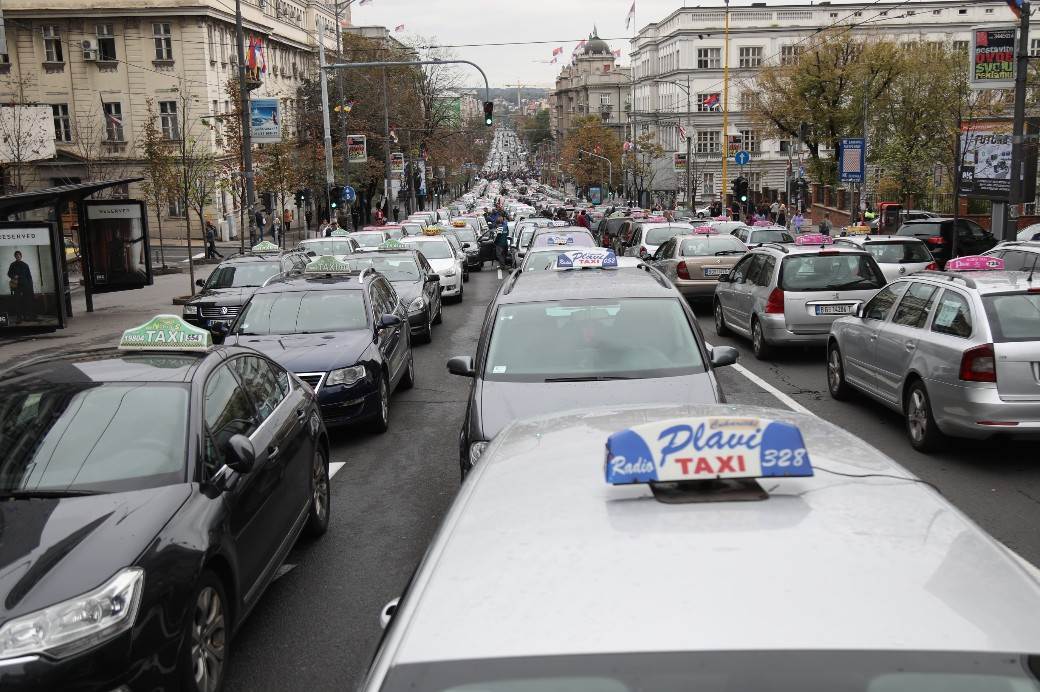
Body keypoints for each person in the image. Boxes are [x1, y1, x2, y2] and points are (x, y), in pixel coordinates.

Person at [7, 250, 34, 323]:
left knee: (26, 301)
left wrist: (31, 286)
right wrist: (13, 276)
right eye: (16, 255)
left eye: (19, 255)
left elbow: (29, 276)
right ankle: (19, 318)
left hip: (25, 286)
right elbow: (9, 274)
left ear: (21, 256)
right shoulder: (12, 264)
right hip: (16, 286)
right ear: (15, 256)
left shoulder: (25, 265)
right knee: (17, 301)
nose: (18, 256)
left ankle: (26, 316)